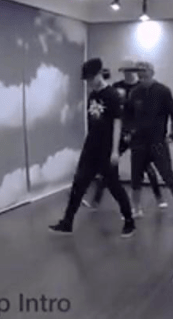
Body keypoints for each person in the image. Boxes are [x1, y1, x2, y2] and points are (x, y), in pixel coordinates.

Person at [49, 58, 135, 237]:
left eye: (90, 78)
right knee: (78, 183)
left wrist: (115, 151)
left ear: (98, 75)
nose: (88, 83)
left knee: (114, 186)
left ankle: (129, 221)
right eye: (86, 79)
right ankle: (67, 222)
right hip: (91, 147)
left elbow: (117, 123)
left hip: (106, 148)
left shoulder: (112, 95)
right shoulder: (93, 95)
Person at [84, 60, 153, 208]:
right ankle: (95, 200)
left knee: (145, 164)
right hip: (121, 129)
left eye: (129, 71)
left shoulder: (140, 88)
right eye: (125, 71)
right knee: (108, 164)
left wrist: (136, 130)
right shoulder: (117, 87)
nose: (127, 73)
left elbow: (142, 112)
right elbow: (113, 108)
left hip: (135, 131)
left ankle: (159, 198)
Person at [129, 61, 173, 221]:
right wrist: (129, 131)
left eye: (145, 74)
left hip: (158, 142)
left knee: (168, 176)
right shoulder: (135, 92)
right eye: (140, 75)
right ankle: (136, 209)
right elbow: (127, 114)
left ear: (152, 73)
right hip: (139, 142)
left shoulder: (163, 91)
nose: (142, 77)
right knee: (136, 178)